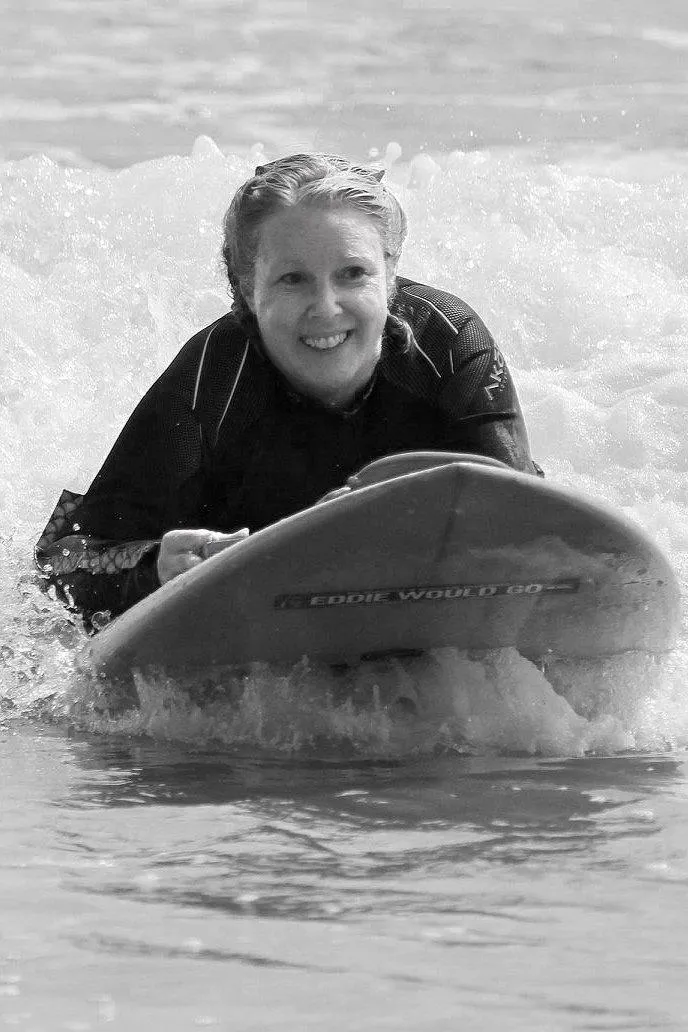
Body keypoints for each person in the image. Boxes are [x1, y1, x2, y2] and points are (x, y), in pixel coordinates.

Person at [35, 153, 541, 629]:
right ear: (246, 288)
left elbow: (530, 513)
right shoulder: (212, 380)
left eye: (353, 274)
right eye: (293, 280)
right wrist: (156, 568)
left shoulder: (449, 344)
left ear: (389, 277)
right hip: (250, 589)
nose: (326, 308)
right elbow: (64, 560)